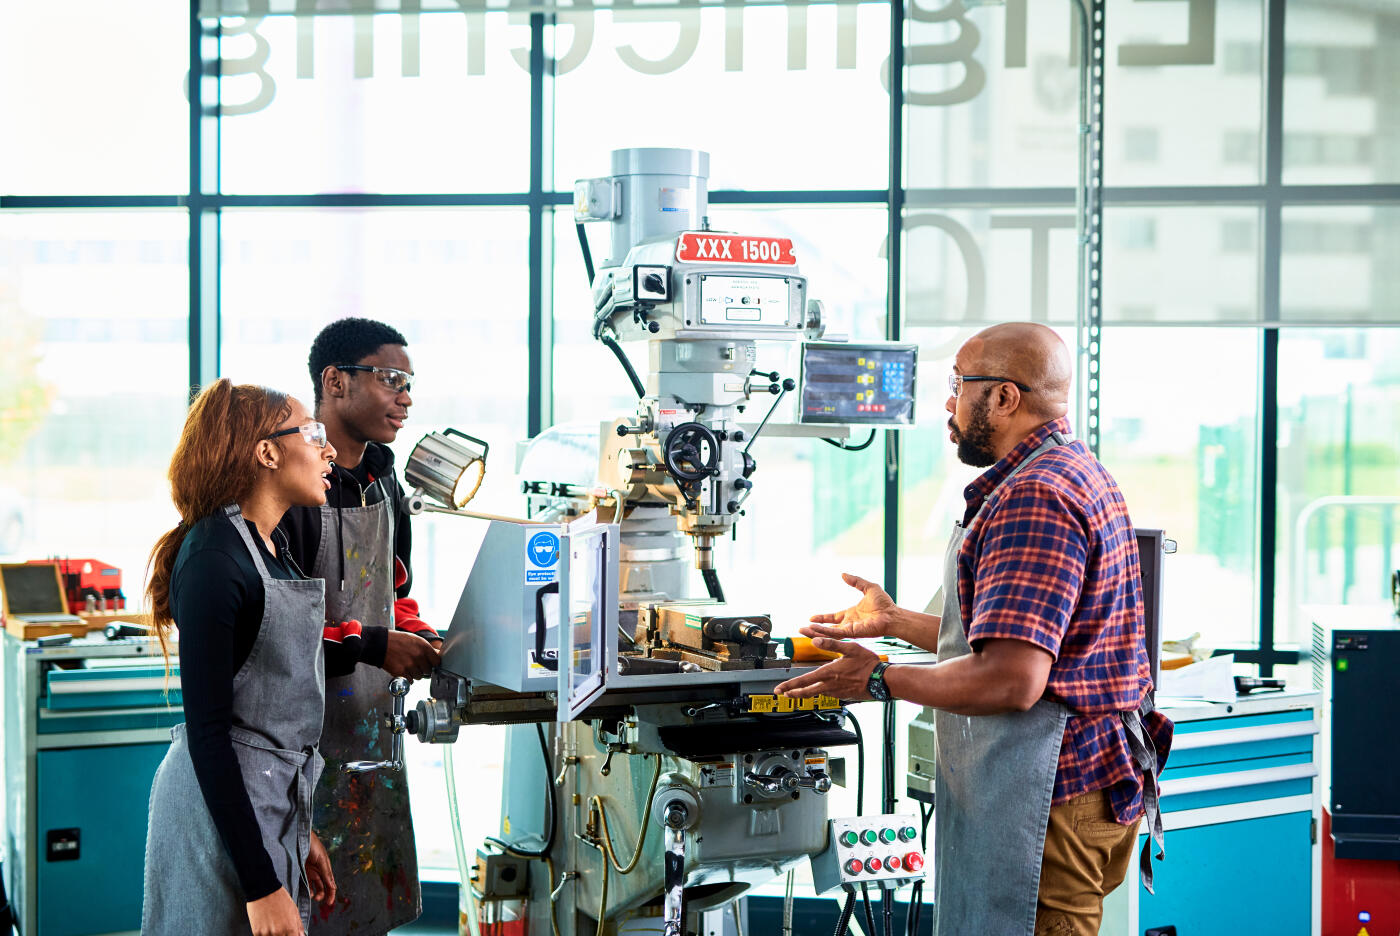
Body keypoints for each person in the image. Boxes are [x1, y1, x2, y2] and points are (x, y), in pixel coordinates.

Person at [775, 322, 1173, 936]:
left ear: (1005, 397)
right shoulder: (1073, 469)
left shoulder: (1034, 496)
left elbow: (1013, 679)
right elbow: (1026, 637)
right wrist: (899, 622)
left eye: (960, 384)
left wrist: (880, 679)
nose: (948, 402)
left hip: (1051, 796)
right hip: (1087, 783)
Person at [143, 379, 339, 936]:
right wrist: (260, 885)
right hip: (213, 816)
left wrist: (300, 831)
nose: (327, 450)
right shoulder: (214, 557)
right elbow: (210, 736)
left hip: (266, 808)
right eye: (313, 433)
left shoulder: (272, 548)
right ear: (267, 451)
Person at [277, 317, 441, 936]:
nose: (405, 396)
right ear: (335, 382)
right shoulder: (289, 488)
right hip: (299, 742)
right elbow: (279, 633)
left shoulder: (383, 478)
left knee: (367, 910)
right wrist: (376, 645)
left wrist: (421, 635)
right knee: (302, 911)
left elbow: (393, 591)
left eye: (410, 383)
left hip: (373, 730)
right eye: (390, 378)